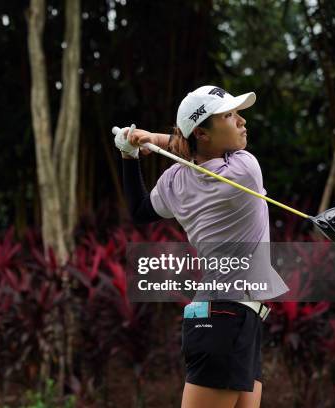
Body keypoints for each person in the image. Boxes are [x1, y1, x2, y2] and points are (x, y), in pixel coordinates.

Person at [114, 85, 289, 408]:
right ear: (203, 133)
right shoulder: (244, 170)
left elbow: (139, 210)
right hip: (225, 316)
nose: (241, 121)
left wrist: (130, 154)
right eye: (229, 115)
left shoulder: (174, 181)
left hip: (236, 317)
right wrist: (155, 138)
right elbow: (186, 149)